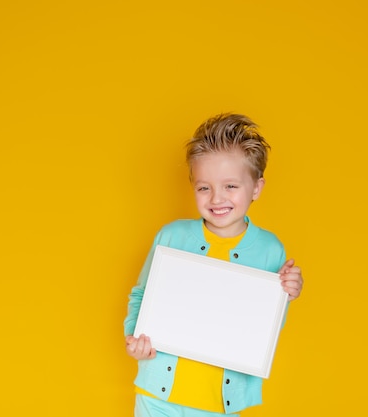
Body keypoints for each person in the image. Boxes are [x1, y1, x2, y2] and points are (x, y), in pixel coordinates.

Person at [123, 113, 304, 417]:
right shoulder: (172, 236)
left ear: (256, 188)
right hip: (157, 397)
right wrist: (135, 337)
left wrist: (286, 294)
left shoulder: (269, 250)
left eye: (230, 186)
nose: (216, 198)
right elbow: (141, 295)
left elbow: (265, 329)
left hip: (219, 405)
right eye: (204, 187)